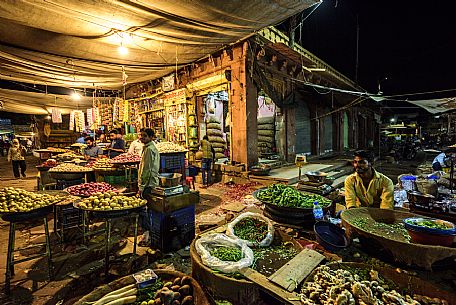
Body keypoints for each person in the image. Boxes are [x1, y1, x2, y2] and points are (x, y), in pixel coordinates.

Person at [137, 128, 160, 245]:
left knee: (143, 209)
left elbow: (147, 170)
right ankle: (150, 233)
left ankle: (147, 234)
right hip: (150, 182)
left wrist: (141, 187)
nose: (141, 138)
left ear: (151, 137)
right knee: (148, 208)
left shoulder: (149, 150)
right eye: (141, 135)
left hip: (148, 184)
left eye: (144, 136)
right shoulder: (148, 148)